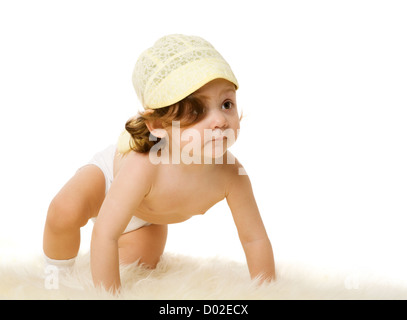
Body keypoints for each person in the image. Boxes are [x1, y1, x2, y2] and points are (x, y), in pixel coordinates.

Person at [43, 34, 275, 292]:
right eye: (197, 111)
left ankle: (120, 254)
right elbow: (105, 233)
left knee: (134, 267)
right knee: (64, 210)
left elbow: (254, 239)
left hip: (146, 220)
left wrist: (267, 291)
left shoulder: (232, 174)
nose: (220, 120)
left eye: (226, 104)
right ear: (157, 125)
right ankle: (55, 279)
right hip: (108, 182)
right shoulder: (145, 165)